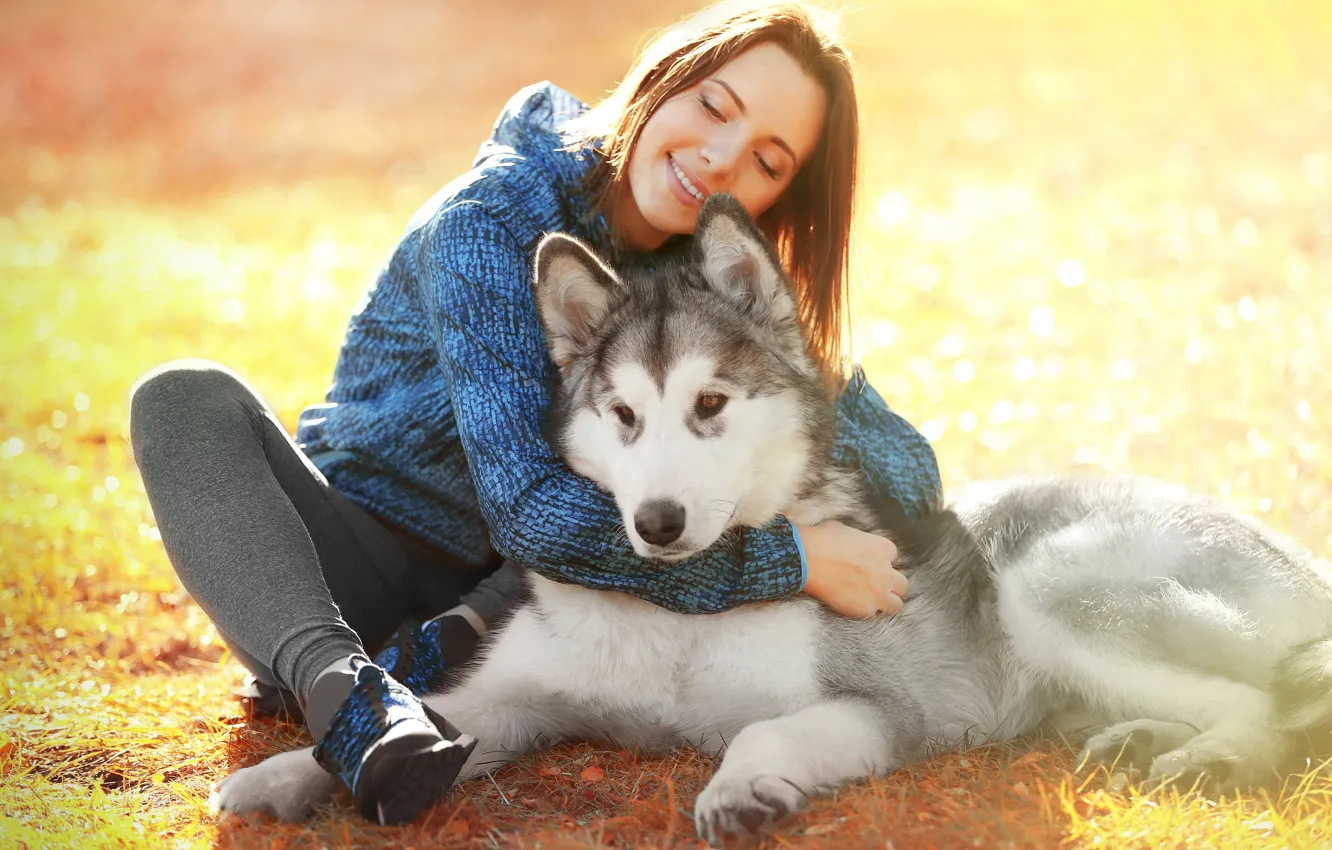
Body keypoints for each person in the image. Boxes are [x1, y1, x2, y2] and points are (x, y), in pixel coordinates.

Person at [128, 0, 941, 827]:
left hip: (542, 606)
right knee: (181, 396)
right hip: (353, 561)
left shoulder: (702, 291)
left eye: (767, 162)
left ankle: (446, 643)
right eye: (713, 105)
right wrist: (789, 559)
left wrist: (794, 360)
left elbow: (917, 479)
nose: (721, 157)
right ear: (663, 79)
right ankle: (347, 693)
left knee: (606, 461)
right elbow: (526, 511)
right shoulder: (491, 222)